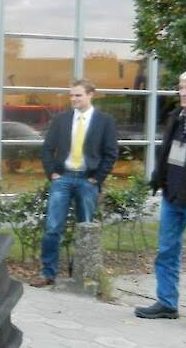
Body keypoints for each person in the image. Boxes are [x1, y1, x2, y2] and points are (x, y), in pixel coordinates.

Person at [30, 78, 118, 287]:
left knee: (85, 227)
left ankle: (80, 272)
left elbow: (111, 153)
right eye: (71, 95)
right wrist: (52, 173)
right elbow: (47, 149)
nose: (73, 99)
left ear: (90, 95)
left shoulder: (105, 121)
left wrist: (96, 178)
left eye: (78, 95)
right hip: (64, 178)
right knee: (52, 227)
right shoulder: (61, 119)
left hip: (88, 180)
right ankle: (48, 273)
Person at [135, 69, 186, 332]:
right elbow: (167, 152)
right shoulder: (177, 116)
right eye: (181, 88)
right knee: (166, 251)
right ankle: (166, 303)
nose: (183, 93)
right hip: (172, 195)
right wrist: (158, 177)